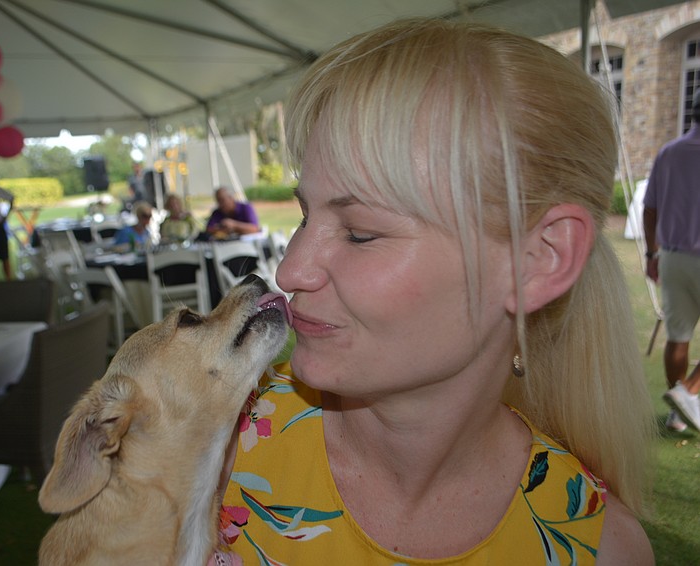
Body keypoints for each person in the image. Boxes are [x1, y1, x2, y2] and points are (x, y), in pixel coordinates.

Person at [212, 18, 655, 565]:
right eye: (306, 215)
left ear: (539, 261)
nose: (291, 270)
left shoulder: (598, 549)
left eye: (360, 233)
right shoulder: (208, 452)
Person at [645, 90, 700, 433]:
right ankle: (688, 393)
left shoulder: (669, 152)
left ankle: (679, 416)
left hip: (673, 259)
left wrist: (651, 254)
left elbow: (650, 208)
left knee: (678, 336)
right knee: (677, 336)